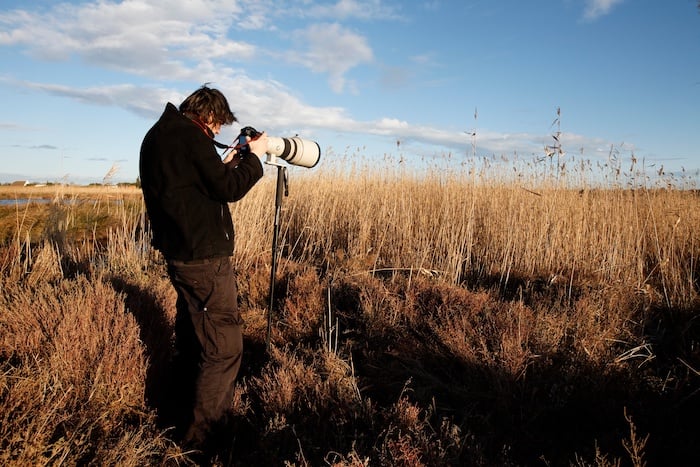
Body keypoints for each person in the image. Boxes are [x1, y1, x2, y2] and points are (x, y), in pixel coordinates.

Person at [139, 85, 268, 452]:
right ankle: (202, 442)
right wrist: (254, 158)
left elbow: (192, 184)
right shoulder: (192, 138)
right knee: (224, 347)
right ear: (209, 116)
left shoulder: (158, 135)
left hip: (178, 254)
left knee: (194, 338)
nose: (216, 132)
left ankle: (174, 411)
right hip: (204, 259)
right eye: (217, 126)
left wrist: (222, 163)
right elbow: (228, 189)